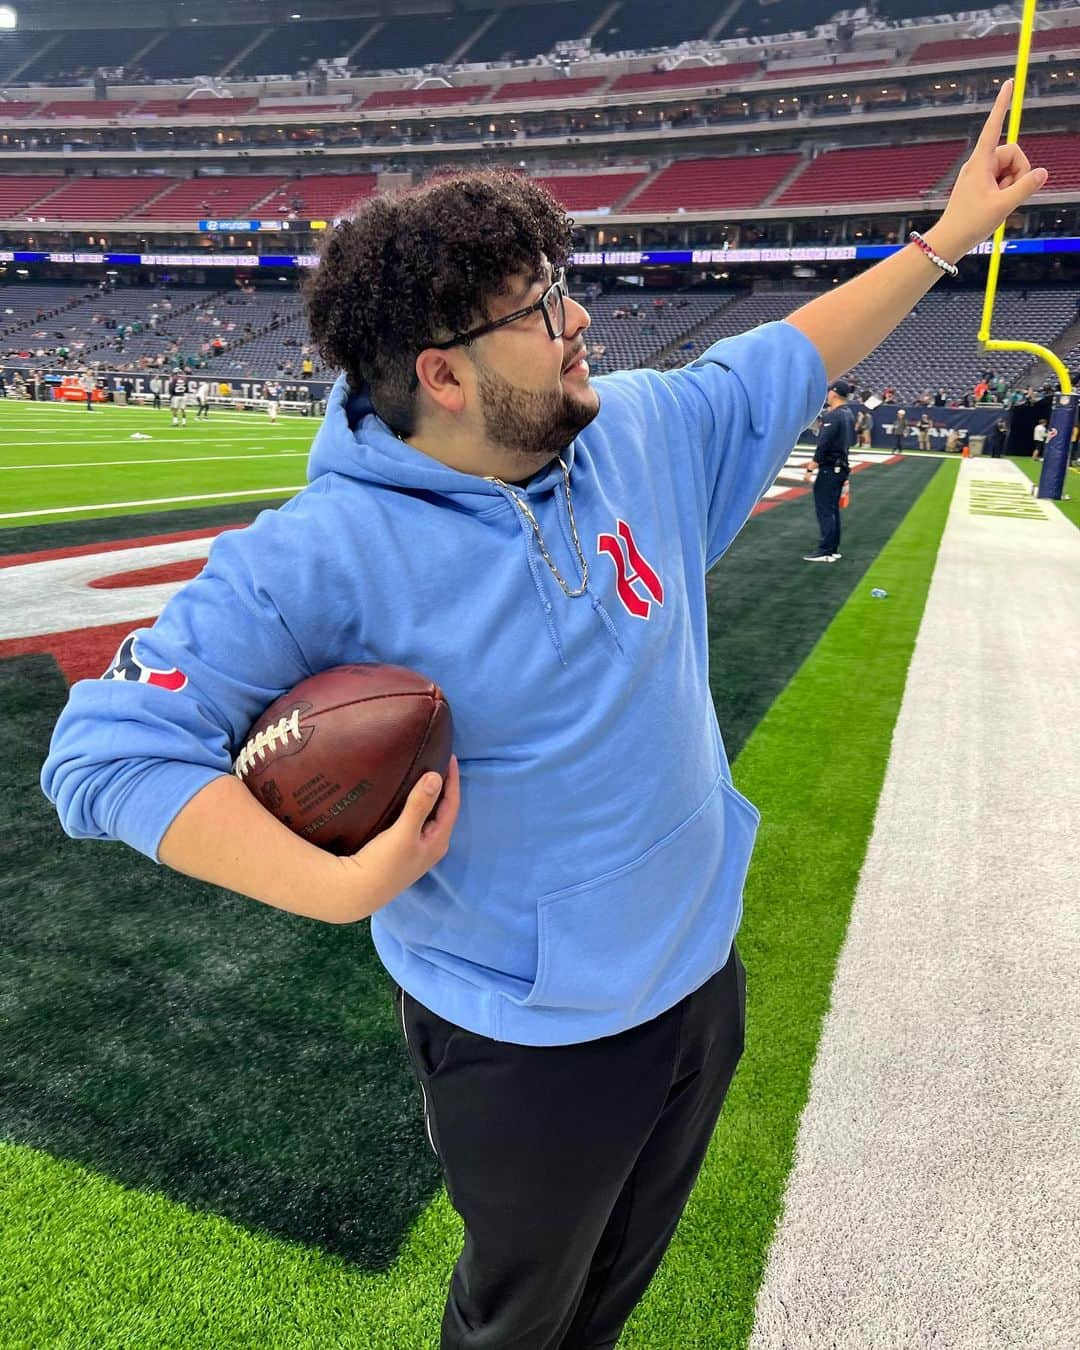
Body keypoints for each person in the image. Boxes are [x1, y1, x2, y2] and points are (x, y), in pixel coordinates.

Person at [40, 91, 1049, 1349]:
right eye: (537, 309)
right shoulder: (320, 556)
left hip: (698, 973)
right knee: (519, 1314)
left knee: (618, 1282)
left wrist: (947, 234)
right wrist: (331, 887)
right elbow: (99, 754)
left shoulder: (638, 429)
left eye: (561, 287)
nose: (580, 322)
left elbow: (788, 352)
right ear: (442, 372)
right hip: (523, 1034)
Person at [803, 379, 855, 562]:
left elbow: (823, 443)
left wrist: (812, 466)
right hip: (841, 466)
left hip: (830, 468)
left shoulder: (833, 416)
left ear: (833, 393)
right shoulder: (848, 414)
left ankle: (825, 550)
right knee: (833, 509)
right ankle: (832, 548)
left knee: (825, 509)